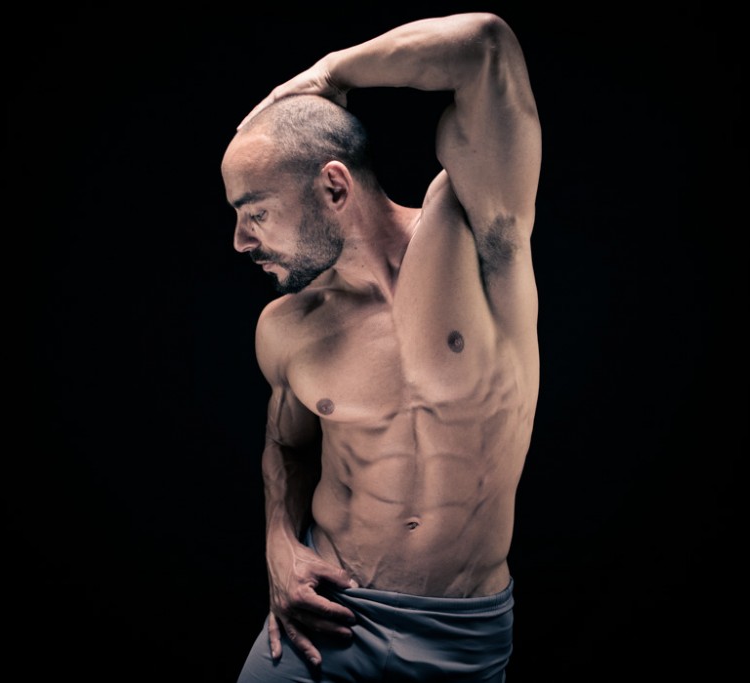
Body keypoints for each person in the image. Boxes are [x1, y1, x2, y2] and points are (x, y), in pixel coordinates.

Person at [221, 12, 541, 682]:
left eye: (256, 213)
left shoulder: (478, 237)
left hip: (461, 636)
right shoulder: (288, 325)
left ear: (334, 186)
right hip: (325, 622)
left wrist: (330, 72)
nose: (242, 241)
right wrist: (279, 540)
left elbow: (484, 47)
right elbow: (287, 445)